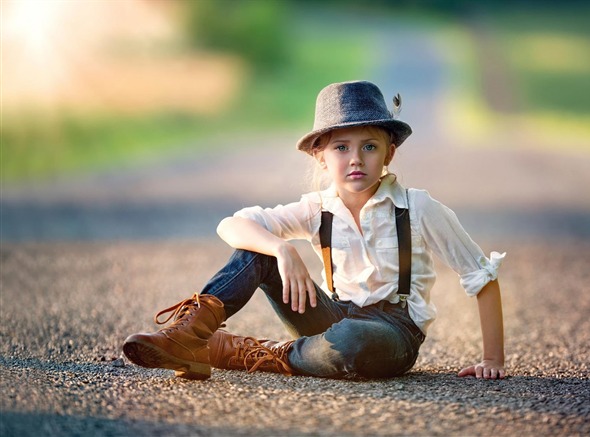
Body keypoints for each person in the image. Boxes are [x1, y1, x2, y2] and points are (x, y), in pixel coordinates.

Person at [122, 80, 506, 381]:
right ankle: (188, 336)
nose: (356, 159)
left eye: (369, 147)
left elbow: (479, 275)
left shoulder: (418, 207)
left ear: (389, 153)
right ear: (320, 157)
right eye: (341, 148)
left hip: (392, 333)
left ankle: (243, 353)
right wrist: (282, 249)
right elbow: (231, 225)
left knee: (353, 341)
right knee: (258, 250)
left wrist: (492, 359)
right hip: (331, 315)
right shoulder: (317, 209)